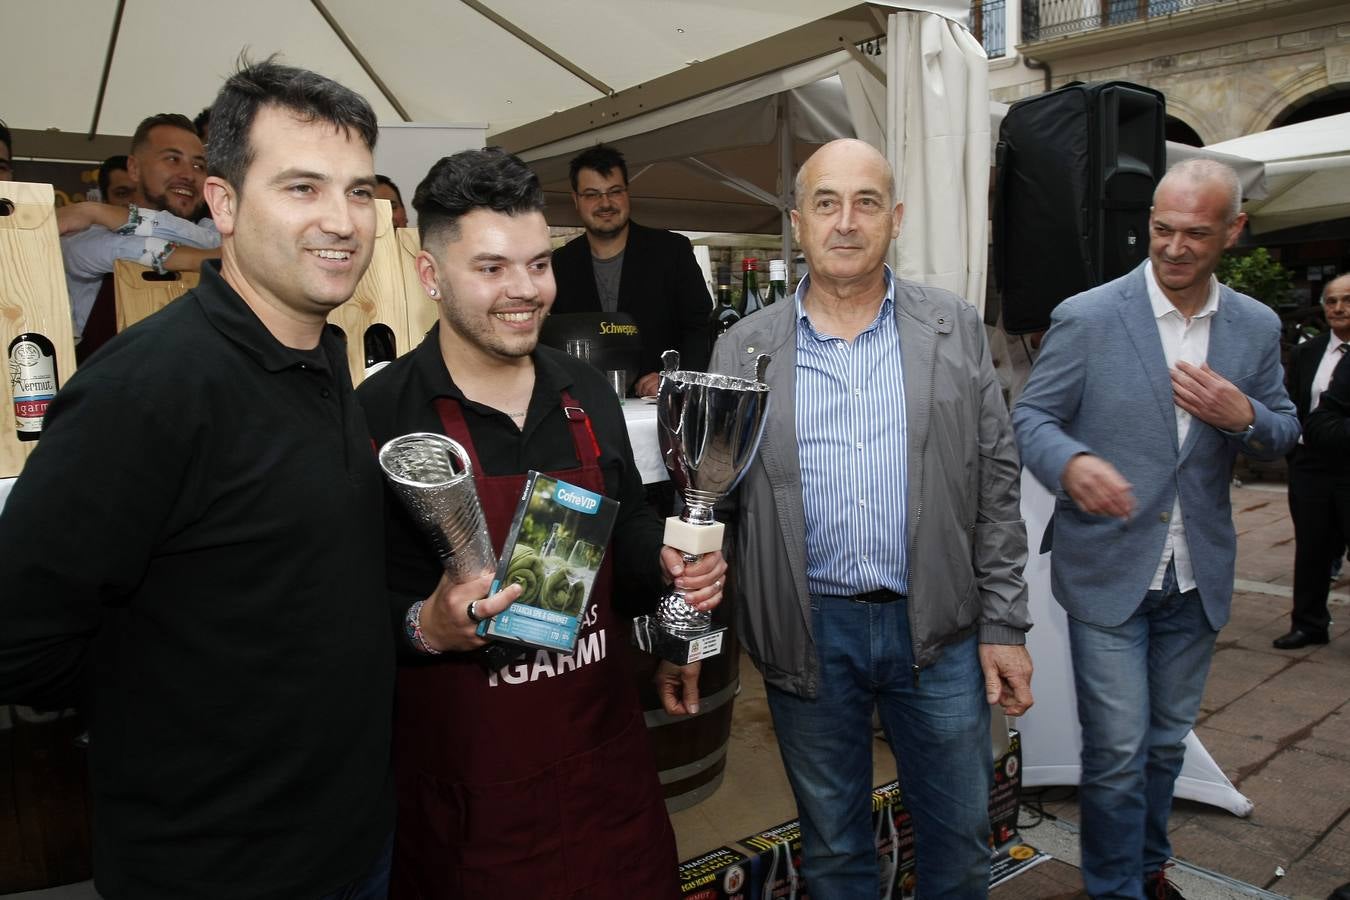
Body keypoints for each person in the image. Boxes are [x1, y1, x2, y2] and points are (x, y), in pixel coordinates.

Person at [0, 60, 396, 900]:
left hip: (351, 844)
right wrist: (174, 694)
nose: (342, 220)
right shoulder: (145, 389)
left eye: (359, 192)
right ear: (222, 204)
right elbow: (18, 639)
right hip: (216, 866)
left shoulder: (326, 359)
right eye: (301, 187)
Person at [357, 147, 724, 900]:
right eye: (491, 268)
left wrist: (666, 567)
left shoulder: (586, 392)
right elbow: (343, 613)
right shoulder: (380, 414)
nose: (524, 292)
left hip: (604, 770)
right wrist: (425, 626)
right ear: (431, 276)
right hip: (470, 797)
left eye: (536, 265)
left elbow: (624, 538)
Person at [708, 138, 1034, 900]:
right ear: (798, 221)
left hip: (941, 634)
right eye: (826, 203)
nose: (845, 222)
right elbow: (714, 499)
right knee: (833, 850)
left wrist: (1005, 626)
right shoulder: (743, 348)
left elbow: (995, 482)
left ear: (895, 219)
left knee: (957, 844)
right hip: (808, 632)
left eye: (864, 204)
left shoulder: (952, 329)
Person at [1013, 158, 1299, 900]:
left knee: (1163, 746)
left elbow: (1284, 431)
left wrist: (1245, 419)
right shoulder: (1089, 314)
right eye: (1161, 229)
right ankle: (1115, 889)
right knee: (1114, 751)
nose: (1173, 247)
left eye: (1194, 234)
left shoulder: (1255, 325)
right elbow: (1031, 418)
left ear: (1233, 231)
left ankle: (1145, 866)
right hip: (1108, 570)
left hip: (1196, 573)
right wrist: (1071, 463)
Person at [550, 143, 712, 396]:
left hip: (659, 407)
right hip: (586, 405)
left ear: (627, 193)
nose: (605, 203)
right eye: (592, 194)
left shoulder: (672, 251)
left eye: (614, 191)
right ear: (576, 200)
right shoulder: (560, 263)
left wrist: (674, 377)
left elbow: (700, 329)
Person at [57, 113, 221, 360]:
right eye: (173, 159)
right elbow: (116, 250)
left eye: (199, 165)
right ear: (134, 168)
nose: (188, 174)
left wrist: (100, 211)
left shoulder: (212, 232)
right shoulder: (84, 237)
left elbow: (212, 243)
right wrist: (204, 259)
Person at [1274, 272, 1350, 649]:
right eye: (1332, 301)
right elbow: (1290, 404)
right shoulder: (1308, 352)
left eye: (1347, 300)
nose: (1339, 308)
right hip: (1310, 467)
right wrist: (1295, 452)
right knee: (1312, 548)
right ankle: (1309, 624)